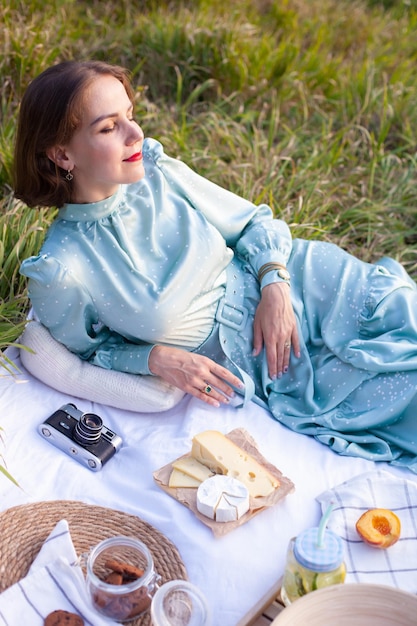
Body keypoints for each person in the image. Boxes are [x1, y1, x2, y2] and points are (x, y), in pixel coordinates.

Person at [15, 60, 417, 471]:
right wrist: (154, 359)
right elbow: (92, 354)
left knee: (402, 313)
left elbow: (253, 222)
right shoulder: (60, 268)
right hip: (267, 360)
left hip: (299, 280)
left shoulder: (157, 172)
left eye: (130, 117)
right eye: (108, 127)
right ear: (63, 154)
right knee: (401, 396)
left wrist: (275, 287)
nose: (135, 134)